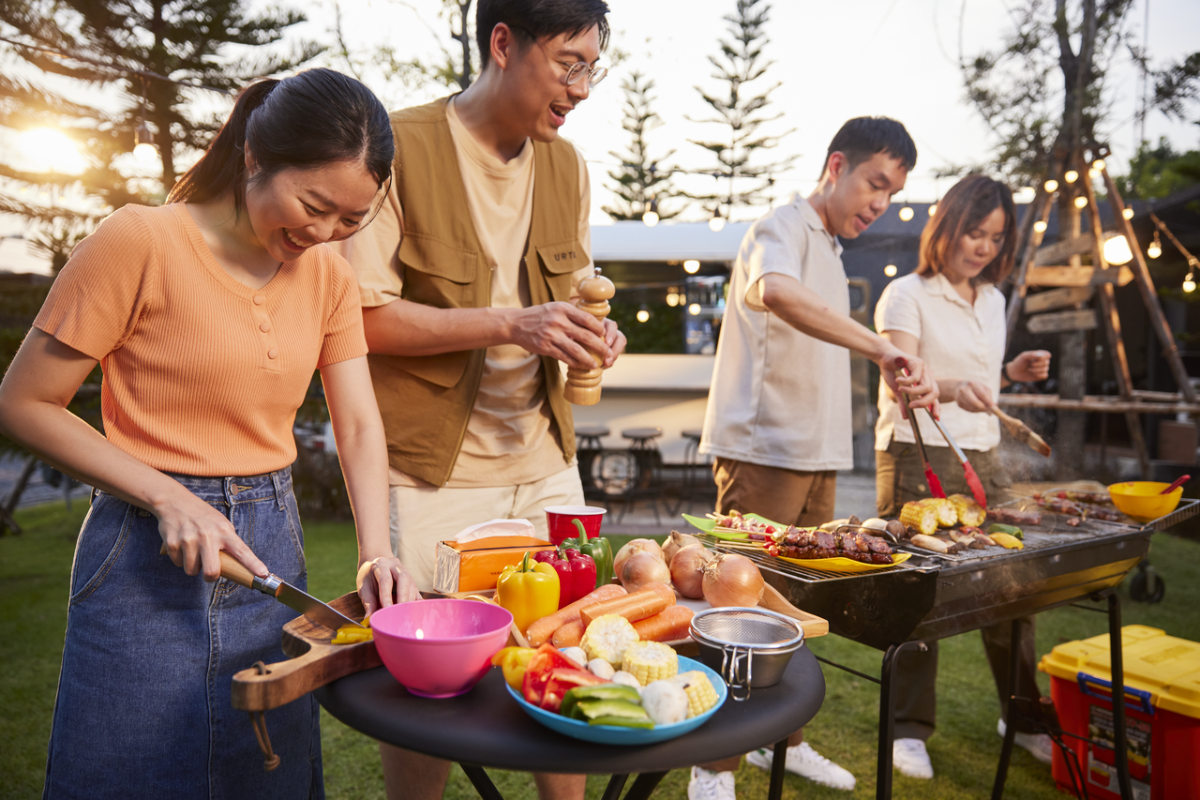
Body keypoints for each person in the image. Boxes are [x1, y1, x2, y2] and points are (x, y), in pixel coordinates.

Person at [0, 68, 420, 800]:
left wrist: (376, 550)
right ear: (256, 156)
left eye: (351, 220)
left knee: (264, 772)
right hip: (140, 551)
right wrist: (167, 496)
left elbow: (356, 421)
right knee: (125, 778)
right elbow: (25, 402)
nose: (323, 234)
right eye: (314, 205)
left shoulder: (328, 278)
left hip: (271, 546)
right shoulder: (138, 241)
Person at [335, 1, 623, 798]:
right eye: (569, 62)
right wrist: (510, 322)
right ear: (503, 42)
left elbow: (573, 300)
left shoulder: (567, 166)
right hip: (430, 473)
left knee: (565, 654)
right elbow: (359, 318)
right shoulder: (398, 147)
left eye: (592, 66)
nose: (583, 86)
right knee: (426, 691)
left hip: (547, 462)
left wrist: (593, 336)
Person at [694, 117, 939, 798]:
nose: (879, 203)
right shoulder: (783, 226)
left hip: (818, 452)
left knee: (792, 608)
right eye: (874, 184)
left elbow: (831, 341)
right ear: (837, 165)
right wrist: (881, 346)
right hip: (765, 447)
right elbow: (774, 291)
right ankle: (709, 765)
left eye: (890, 195)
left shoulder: (832, 251)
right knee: (734, 605)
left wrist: (891, 366)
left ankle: (781, 744)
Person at [873, 173, 1054, 779]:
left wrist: (1012, 372)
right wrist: (953, 389)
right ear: (946, 227)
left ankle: (1023, 715)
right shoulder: (907, 295)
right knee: (924, 591)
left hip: (986, 451)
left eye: (995, 238)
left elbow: (977, 378)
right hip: (920, 451)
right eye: (974, 232)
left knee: (1014, 583)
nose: (982, 247)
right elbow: (899, 378)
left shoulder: (994, 300)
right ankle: (907, 728)